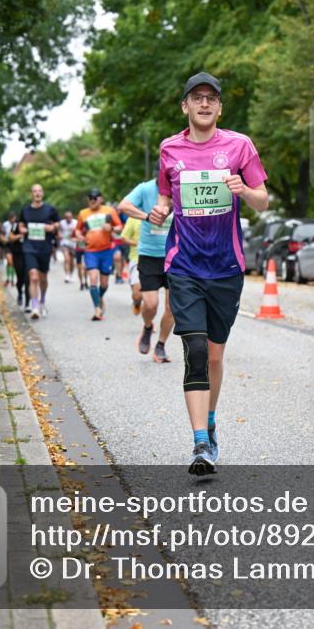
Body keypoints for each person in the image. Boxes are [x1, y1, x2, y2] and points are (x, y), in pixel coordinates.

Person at [149, 72, 269, 475]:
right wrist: (160, 210)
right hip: (183, 265)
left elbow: (263, 202)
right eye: (197, 98)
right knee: (196, 351)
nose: (204, 104)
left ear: (219, 107)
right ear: (185, 105)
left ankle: (211, 420)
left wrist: (243, 191)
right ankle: (201, 443)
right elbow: (166, 197)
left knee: (215, 354)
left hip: (226, 267)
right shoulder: (169, 149)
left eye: (211, 99)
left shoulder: (239, 146)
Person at [118, 172, 176, 363]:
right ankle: (148, 326)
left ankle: (160, 345)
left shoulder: (180, 187)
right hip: (149, 255)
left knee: (172, 307)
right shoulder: (144, 189)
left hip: (175, 256)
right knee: (150, 304)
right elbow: (124, 206)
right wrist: (147, 216)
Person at [75, 188, 122, 321]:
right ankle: (97, 309)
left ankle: (99, 296)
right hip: (90, 251)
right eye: (90, 198)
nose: (92, 200)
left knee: (104, 284)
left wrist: (112, 228)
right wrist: (80, 236)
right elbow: (77, 230)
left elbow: (119, 228)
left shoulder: (109, 211)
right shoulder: (83, 213)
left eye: (95, 198)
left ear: (100, 199)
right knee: (93, 278)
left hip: (106, 251)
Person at [18, 184, 60, 319]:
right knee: (33, 276)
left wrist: (52, 227)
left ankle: (42, 300)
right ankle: (34, 306)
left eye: (39, 191)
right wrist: (24, 230)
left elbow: (57, 224)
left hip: (45, 248)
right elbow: (21, 226)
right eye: (34, 191)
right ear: (31, 194)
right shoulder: (25, 210)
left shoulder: (50, 209)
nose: (37, 193)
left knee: (43, 278)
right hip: (29, 247)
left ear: (43, 193)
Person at [59, 210, 78, 283]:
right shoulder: (62, 223)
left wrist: (75, 231)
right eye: (66, 217)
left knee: (72, 262)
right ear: (65, 218)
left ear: (72, 217)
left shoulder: (75, 222)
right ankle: (67, 275)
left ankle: (70, 275)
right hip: (64, 243)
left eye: (69, 217)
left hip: (73, 244)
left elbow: (79, 231)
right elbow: (58, 231)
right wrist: (59, 234)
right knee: (67, 259)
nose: (68, 219)